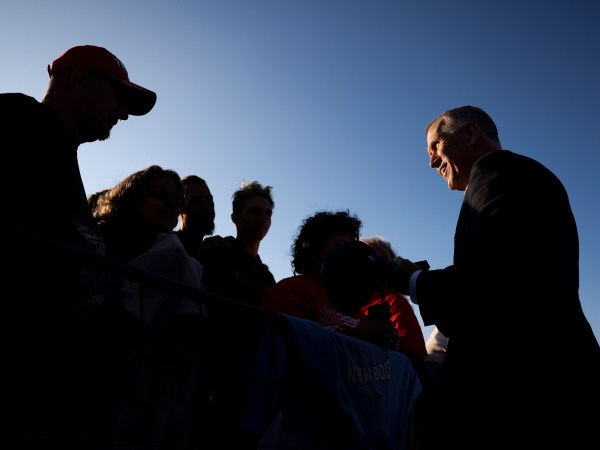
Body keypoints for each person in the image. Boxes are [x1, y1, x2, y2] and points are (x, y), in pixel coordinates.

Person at [390, 105, 600, 448]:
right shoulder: (523, 177)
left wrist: (411, 280)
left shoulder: (496, 171)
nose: (430, 162)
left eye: (434, 147)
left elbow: (494, 282)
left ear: (469, 134)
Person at [0, 45, 156, 448]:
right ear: (80, 78)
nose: (122, 114)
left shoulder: (63, 158)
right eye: (119, 97)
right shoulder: (19, 118)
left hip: (59, 386)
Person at [195, 180, 276, 307]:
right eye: (255, 211)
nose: (263, 218)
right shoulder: (217, 251)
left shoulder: (266, 277)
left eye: (268, 214)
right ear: (235, 217)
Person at [176, 175, 216, 256]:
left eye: (209, 200)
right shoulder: (168, 244)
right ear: (180, 207)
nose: (205, 207)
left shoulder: (213, 251)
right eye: (196, 201)